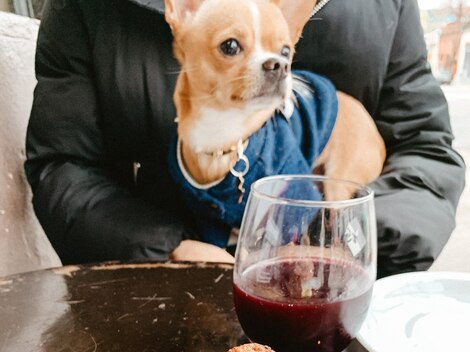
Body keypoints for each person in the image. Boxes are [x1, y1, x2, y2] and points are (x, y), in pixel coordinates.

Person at [25, 0, 465, 277]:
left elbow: (426, 148)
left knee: (327, 197)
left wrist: (341, 249)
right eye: (231, 47)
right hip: (162, 283)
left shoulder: (383, 13)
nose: (274, 64)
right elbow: (61, 168)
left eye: (283, 53)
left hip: (345, 178)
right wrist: (174, 248)